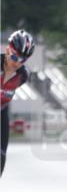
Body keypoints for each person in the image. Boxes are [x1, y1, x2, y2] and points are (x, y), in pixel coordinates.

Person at [1, 29, 35, 177]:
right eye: (14, 57)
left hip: (1, 113)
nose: (17, 63)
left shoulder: (23, 75)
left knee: (1, 157)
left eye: (22, 60)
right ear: (8, 50)